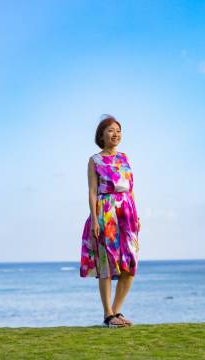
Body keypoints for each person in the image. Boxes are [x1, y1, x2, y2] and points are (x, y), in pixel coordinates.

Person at [79, 114, 141, 328]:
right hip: (106, 212)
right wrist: (95, 219)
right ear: (101, 135)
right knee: (106, 263)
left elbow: (131, 189)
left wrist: (136, 216)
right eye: (111, 130)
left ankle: (116, 311)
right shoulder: (94, 160)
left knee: (130, 264)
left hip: (127, 213)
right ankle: (108, 315)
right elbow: (92, 191)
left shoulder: (124, 157)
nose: (116, 134)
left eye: (118, 130)